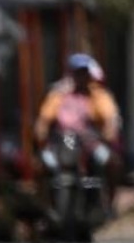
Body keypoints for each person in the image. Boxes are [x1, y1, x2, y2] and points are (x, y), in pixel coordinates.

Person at [34, 53, 122, 190]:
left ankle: (102, 194)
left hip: (89, 140)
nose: (82, 77)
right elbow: (44, 119)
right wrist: (41, 137)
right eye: (78, 73)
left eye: (84, 73)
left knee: (108, 162)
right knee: (47, 165)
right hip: (65, 139)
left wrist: (109, 133)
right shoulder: (59, 95)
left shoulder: (98, 95)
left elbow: (109, 117)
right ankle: (51, 196)